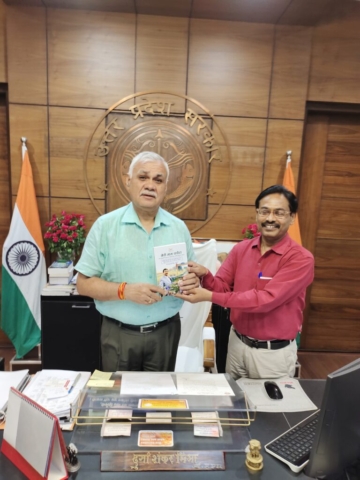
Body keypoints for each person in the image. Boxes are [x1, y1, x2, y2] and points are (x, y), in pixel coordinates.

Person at [76, 151, 198, 372]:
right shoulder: (105, 226)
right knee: (118, 403)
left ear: (165, 187)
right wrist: (125, 291)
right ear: (128, 181)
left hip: (165, 333)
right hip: (118, 334)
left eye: (158, 180)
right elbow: (83, 284)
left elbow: (190, 279)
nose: (150, 185)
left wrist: (193, 282)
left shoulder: (178, 228)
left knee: (159, 402)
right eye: (143, 177)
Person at [177, 185, 314, 380]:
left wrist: (209, 296)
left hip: (272, 354)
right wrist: (205, 275)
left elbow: (266, 300)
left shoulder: (300, 259)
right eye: (264, 211)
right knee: (235, 406)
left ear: (292, 217)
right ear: (257, 214)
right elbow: (222, 286)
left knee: (269, 409)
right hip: (236, 344)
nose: (270, 218)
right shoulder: (241, 249)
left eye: (279, 213)